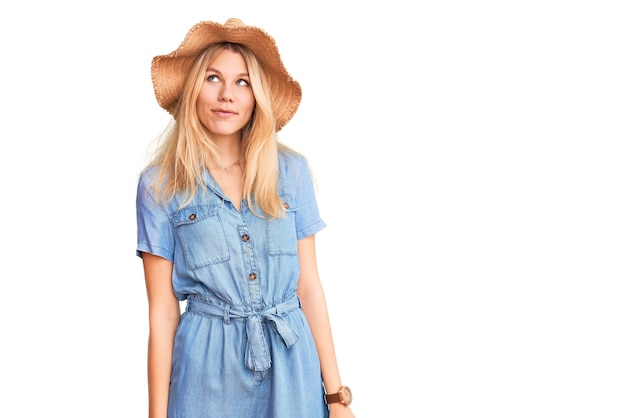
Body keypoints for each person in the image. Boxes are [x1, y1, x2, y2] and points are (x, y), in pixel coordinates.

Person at [135, 18, 355, 418]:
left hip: (292, 367)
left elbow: (309, 287)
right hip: (206, 372)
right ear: (192, 89)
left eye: (242, 82)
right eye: (213, 78)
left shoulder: (291, 172)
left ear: (257, 97)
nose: (226, 95)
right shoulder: (159, 185)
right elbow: (162, 312)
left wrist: (337, 398)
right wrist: (156, 415)